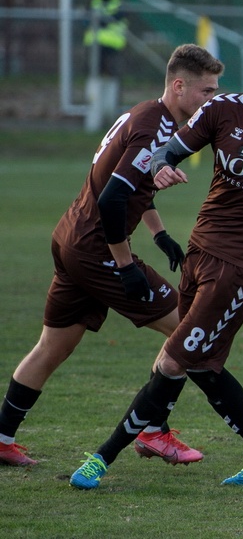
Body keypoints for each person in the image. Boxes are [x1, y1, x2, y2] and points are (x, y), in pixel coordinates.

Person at [69, 43, 243, 490]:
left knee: (172, 359)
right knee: (200, 364)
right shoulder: (223, 111)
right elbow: (165, 152)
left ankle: (101, 459)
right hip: (199, 254)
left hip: (241, 269)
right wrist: (162, 168)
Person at [0, 44, 224, 467]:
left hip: (71, 238)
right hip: (96, 249)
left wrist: (159, 236)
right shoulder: (154, 129)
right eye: (206, 92)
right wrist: (125, 266)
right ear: (179, 86)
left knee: (52, 347)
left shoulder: (146, 114)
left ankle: (0, 437)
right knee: (189, 330)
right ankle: (154, 432)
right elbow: (112, 199)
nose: (210, 100)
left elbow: (134, 188)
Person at [83, 0, 129, 131]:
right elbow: (86, 18)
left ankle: (110, 117)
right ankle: (94, 120)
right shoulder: (94, 2)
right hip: (95, 45)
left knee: (110, 77)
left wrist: (101, 19)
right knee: (95, 78)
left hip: (112, 47)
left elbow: (114, 19)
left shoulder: (119, 4)